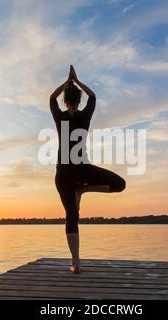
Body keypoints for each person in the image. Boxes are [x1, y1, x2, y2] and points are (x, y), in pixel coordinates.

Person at [50, 66, 126, 273]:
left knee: (71, 216)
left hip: (64, 172)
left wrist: (67, 83)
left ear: (65, 102)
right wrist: (77, 81)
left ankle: (76, 263)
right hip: (82, 169)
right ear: (80, 101)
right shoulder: (84, 116)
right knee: (120, 184)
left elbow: (51, 98)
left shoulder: (60, 118)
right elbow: (93, 95)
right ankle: (83, 189)